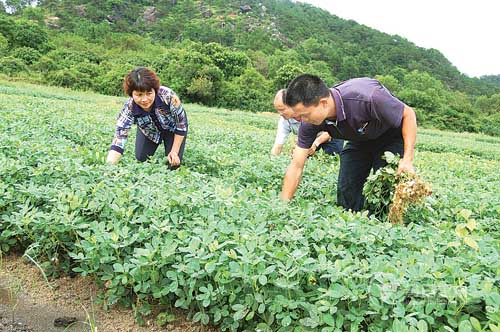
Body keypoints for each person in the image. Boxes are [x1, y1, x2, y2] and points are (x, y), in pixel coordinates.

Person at [280, 74, 417, 211]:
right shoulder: (309, 123)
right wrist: (282, 207)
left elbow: (408, 114)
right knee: (347, 190)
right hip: (359, 138)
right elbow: (296, 165)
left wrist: (407, 159)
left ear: (323, 103)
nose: (302, 120)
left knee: (384, 191)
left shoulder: (368, 97)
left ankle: (387, 224)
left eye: (305, 115)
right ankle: (354, 222)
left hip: (390, 137)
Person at [106, 67, 188, 169]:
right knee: (141, 159)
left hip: (172, 129)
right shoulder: (129, 108)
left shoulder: (168, 96)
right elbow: (119, 138)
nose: (144, 99)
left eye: (149, 93)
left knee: (173, 164)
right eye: (139, 95)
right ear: (131, 94)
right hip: (149, 131)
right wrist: (109, 167)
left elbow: (181, 124)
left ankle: (171, 147)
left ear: (155, 90)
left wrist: (174, 151)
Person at [271, 89, 343, 157]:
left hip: (330, 136)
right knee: (300, 157)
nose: (280, 113)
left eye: (282, 110)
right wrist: (272, 162)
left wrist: (315, 144)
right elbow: (278, 144)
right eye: (278, 110)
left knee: (331, 156)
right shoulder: (285, 121)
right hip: (310, 139)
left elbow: (330, 131)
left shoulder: (309, 111)